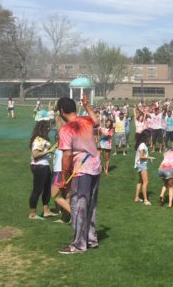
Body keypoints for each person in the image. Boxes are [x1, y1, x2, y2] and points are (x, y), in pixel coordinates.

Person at [57, 95, 102, 254]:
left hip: (82, 170)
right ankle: (90, 239)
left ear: (62, 111)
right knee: (90, 205)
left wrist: (64, 178)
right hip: (95, 167)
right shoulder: (85, 120)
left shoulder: (66, 129)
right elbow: (97, 121)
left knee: (79, 207)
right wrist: (87, 106)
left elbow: (67, 155)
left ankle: (78, 245)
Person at [28, 120, 57, 220]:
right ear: (44, 128)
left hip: (44, 166)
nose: (50, 129)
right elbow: (35, 155)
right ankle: (33, 214)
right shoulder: (38, 140)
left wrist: (51, 149)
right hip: (39, 167)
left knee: (47, 189)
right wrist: (49, 151)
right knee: (37, 190)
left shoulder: (42, 139)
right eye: (48, 127)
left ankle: (46, 211)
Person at [134, 129, 154, 205]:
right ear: (146, 137)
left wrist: (148, 157)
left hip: (140, 164)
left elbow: (142, 155)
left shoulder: (142, 144)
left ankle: (137, 198)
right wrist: (149, 158)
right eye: (149, 137)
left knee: (140, 181)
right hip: (142, 165)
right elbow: (141, 156)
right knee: (146, 182)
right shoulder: (142, 145)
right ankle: (145, 200)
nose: (150, 138)